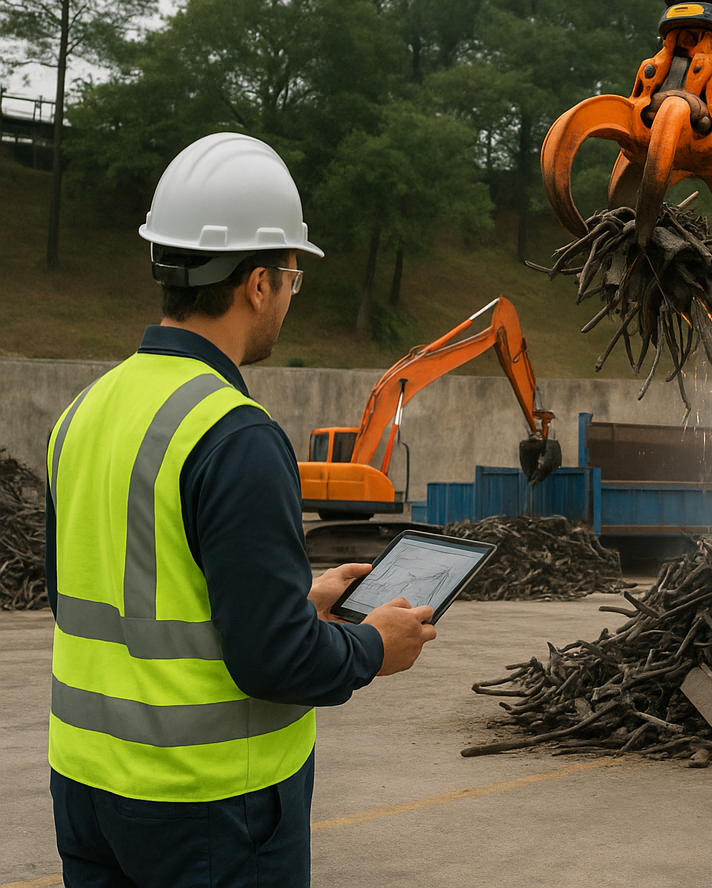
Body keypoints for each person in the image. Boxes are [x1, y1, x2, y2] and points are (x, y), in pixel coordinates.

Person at [45, 132, 438, 888]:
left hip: (87, 792)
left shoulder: (83, 413)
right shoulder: (234, 433)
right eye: (293, 276)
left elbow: (98, 594)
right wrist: (373, 647)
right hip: (210, 812)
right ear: (258, 283)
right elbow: (276, 661)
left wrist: (294, 602)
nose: (290, 295)